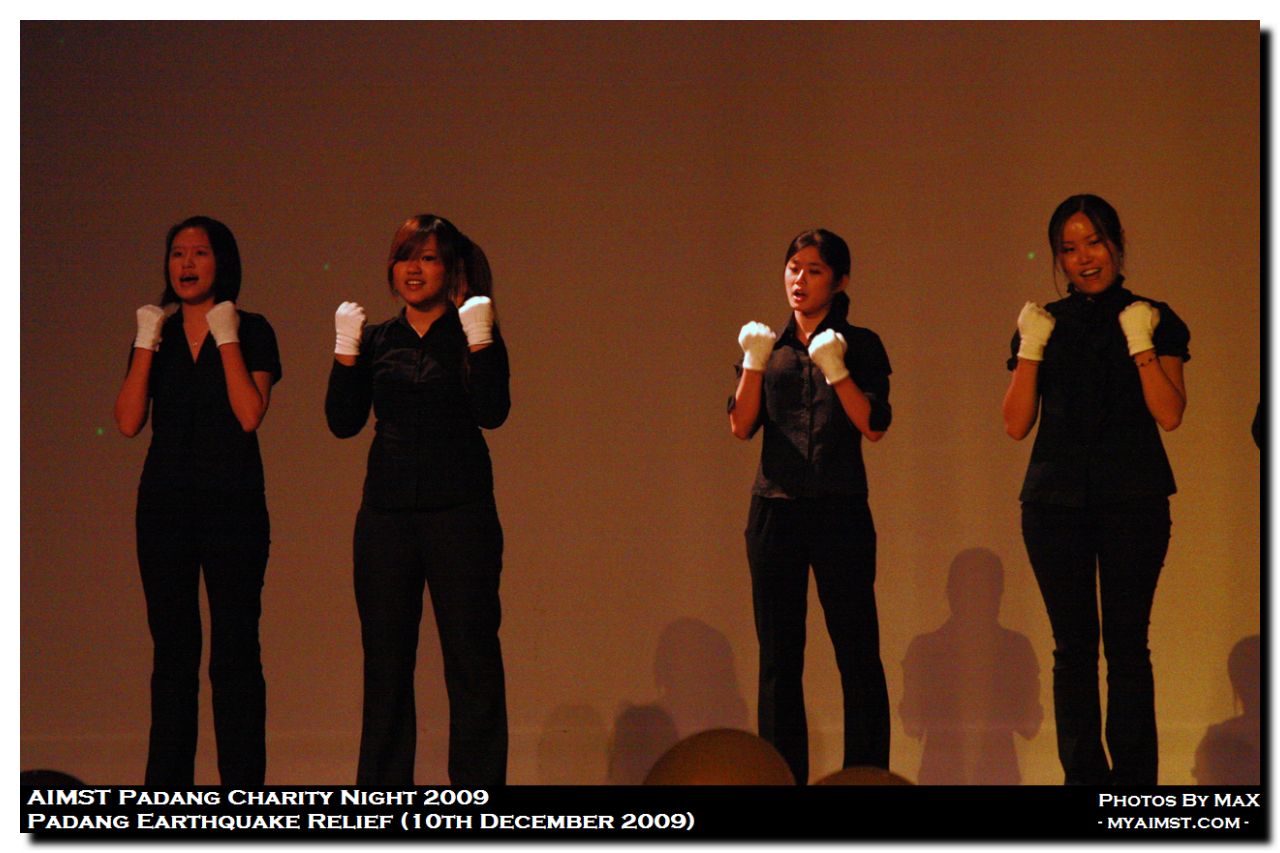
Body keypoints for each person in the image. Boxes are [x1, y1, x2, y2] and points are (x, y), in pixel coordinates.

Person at [1002, 194, 1189, 785]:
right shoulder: (1045, 321)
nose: (1084, 258)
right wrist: (1031, 346)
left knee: (1128, 647)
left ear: (1116, 244)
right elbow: (1015, 424)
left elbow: (1170, 413)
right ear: (1058, 258)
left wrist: (1141, 344)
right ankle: (1083, 782)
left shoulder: (1153, 316)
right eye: (1069, 248)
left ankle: (1134, 790)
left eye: (1094, 243)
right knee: (1072, 650)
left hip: (1134, 500)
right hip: (1053, 505)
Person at [325, 213, 510, 787]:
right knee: (385, 666)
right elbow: (342, 422)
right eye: (406, 256)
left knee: (472, 661)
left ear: (450, 268)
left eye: (428, 258)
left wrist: (482, 339)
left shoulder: (472, 330)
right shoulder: (379, 338)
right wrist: (345, 351)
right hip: (386, 518)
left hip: (460, 513)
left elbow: (493, 412)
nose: (414, 268)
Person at [113, 215, 281, 786]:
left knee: (235, 651)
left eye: (200, 253)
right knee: (172, 654)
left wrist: (225, 333)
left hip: (234, 507)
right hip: (165, 509)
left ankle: (243, 795)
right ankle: (167, 795)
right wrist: (145, 341)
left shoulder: (252, 329)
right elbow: (128, 421)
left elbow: (249, 413)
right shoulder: (154, 332)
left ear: (222, 262)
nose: (186, 264)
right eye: (177, 253)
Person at [728, 228, 892, 784]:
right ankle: (782, 781)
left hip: (840, 511)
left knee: (857, 652)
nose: (799, 279)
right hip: (774, 511)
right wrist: (753, 363)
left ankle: (865, 781)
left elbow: (873, 425)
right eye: (793, 267)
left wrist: (837, 369)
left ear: (840, 281)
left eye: (814, 270)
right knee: (779, 659)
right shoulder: (767, 345)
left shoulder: (861, 343)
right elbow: (740, 426)